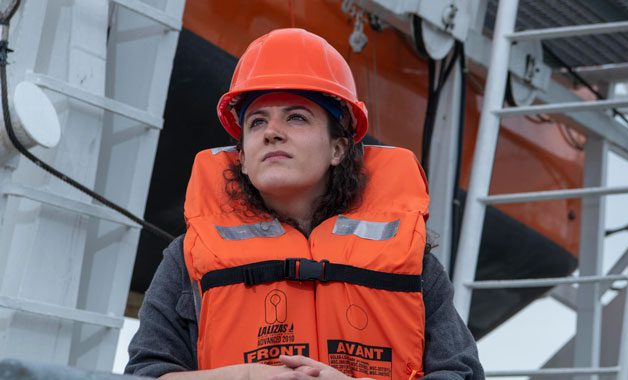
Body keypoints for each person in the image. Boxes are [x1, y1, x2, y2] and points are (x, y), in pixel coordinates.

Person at [125, 28, 483, 379]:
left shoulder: (414, 263)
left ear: (337, 148)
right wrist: (246, 377)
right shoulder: (184, 259)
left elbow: (462, 374)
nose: (271, 131)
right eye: (256, 122)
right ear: (243, 159)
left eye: (296, 117)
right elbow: (145, 374)